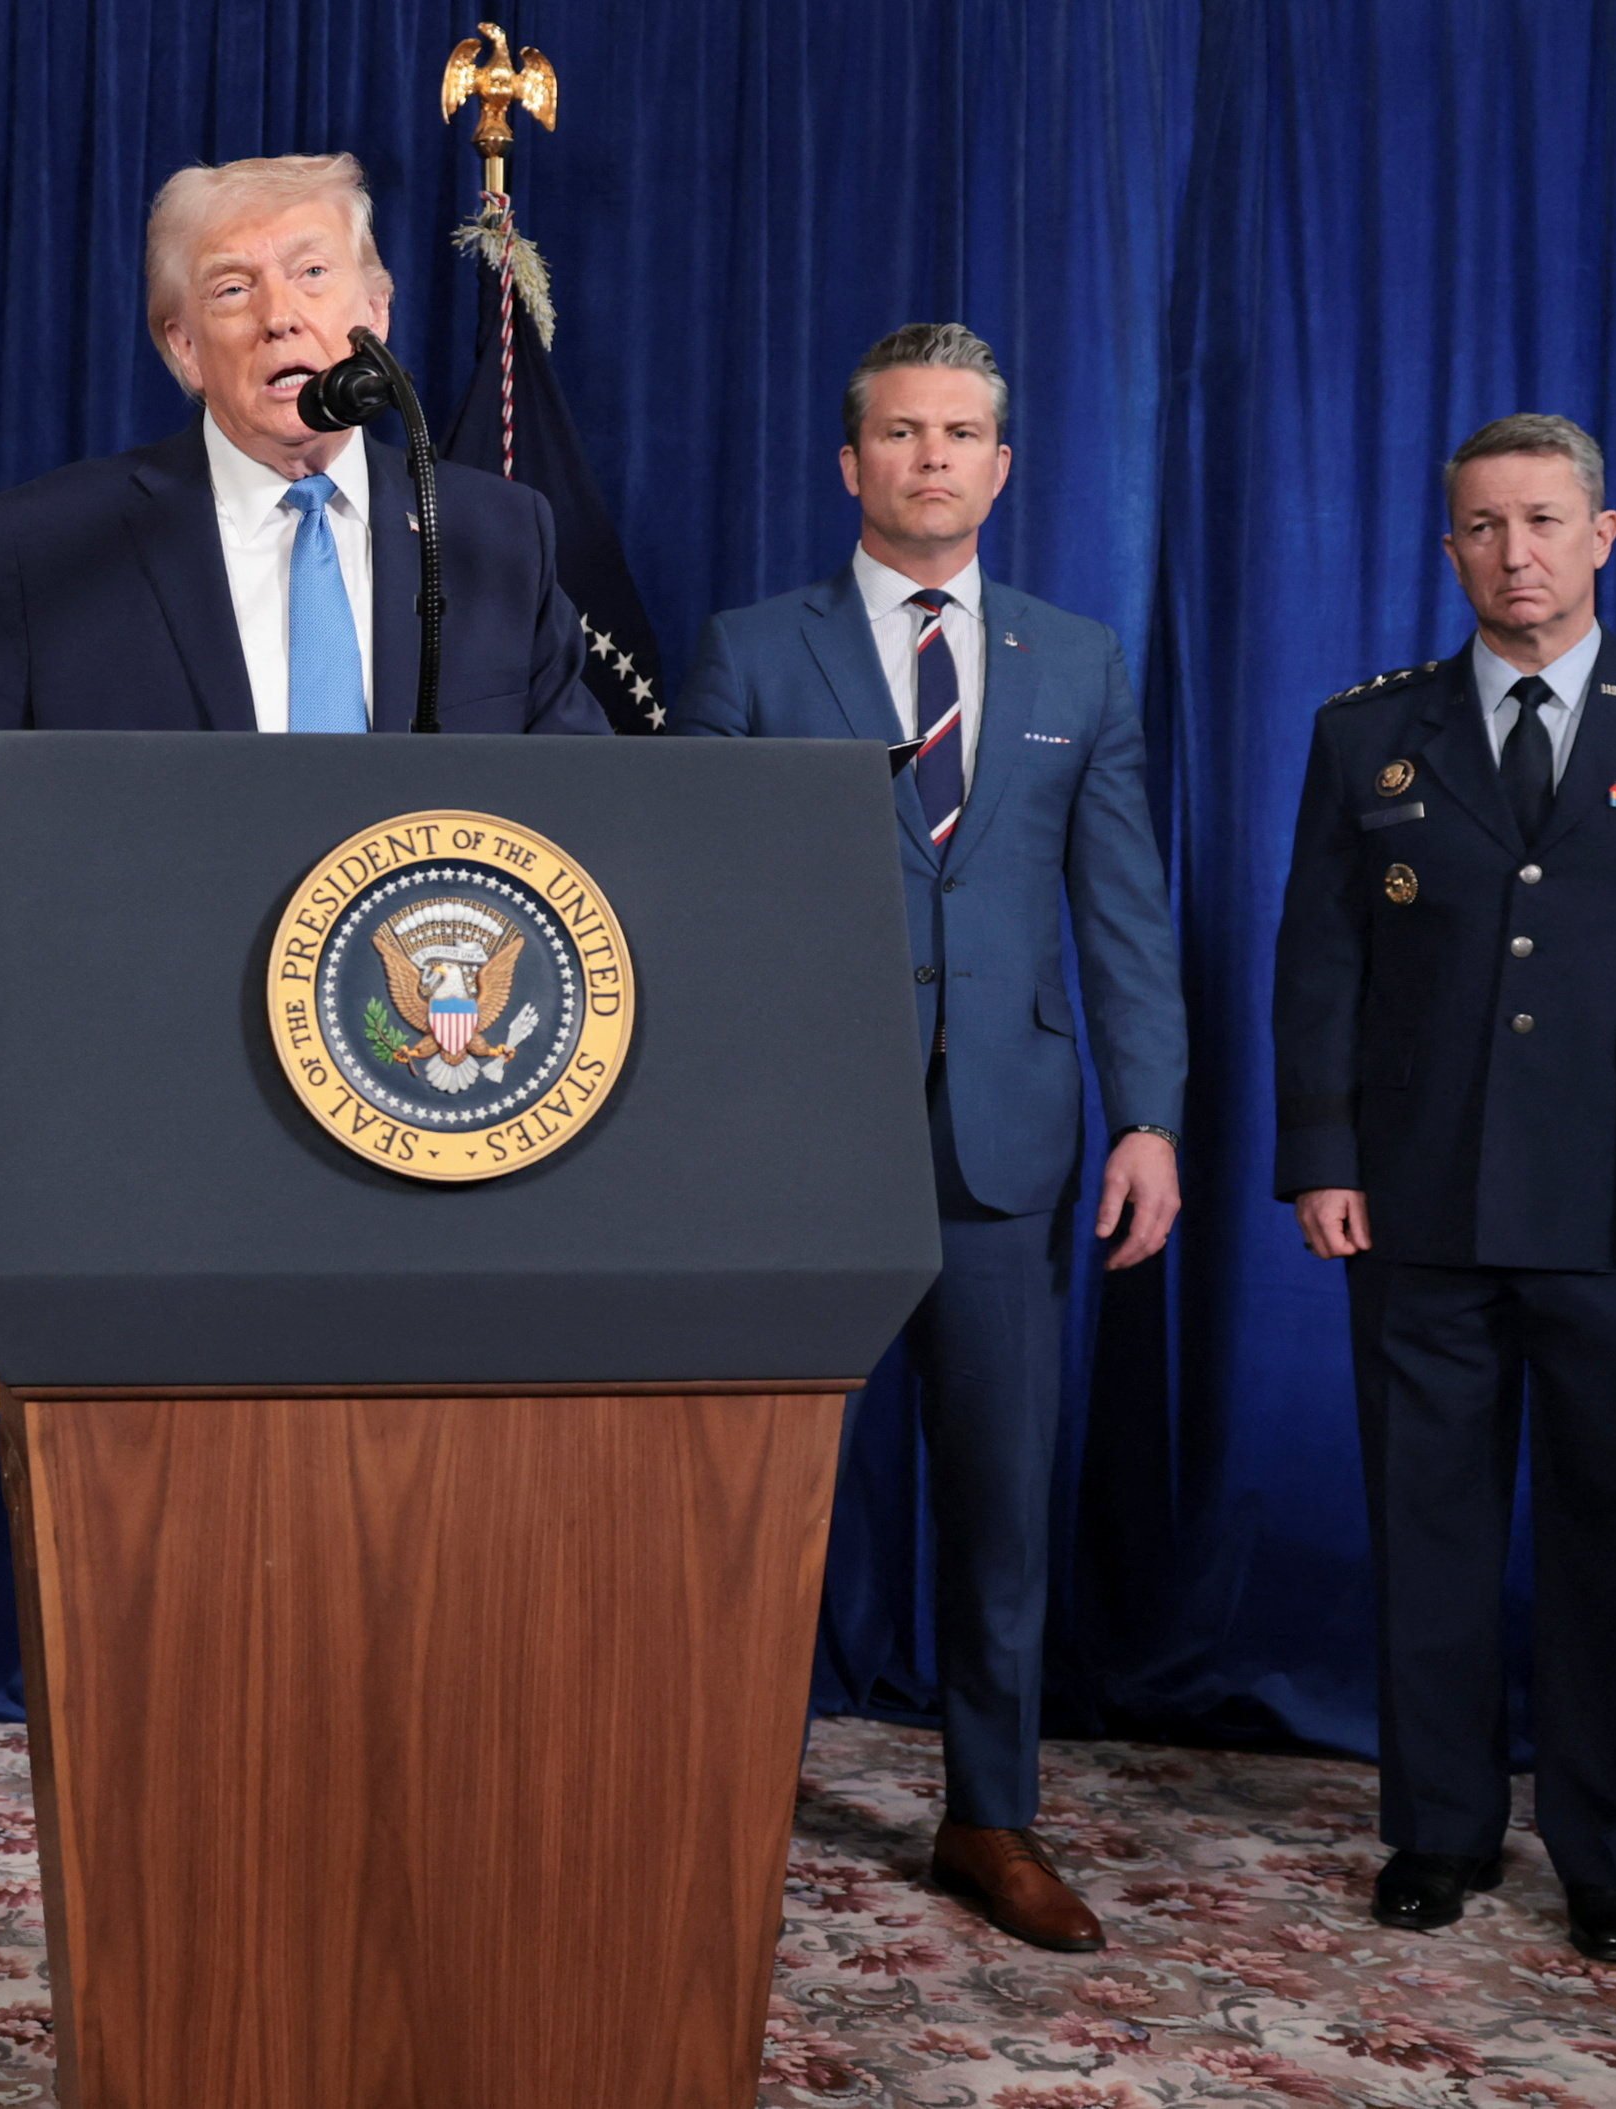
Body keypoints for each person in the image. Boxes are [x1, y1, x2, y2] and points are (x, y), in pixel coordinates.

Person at [1272, 413, 1616, 1965]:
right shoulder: (1366, 733)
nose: (1515, 552)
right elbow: (1317, 966)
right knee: (1427, 1531)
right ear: (1447, 547)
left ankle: (1612, 1852)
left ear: (1604, 534)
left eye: (1542, 520)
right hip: (1420, 1200)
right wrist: (1318, 1154)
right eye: (1482, 525)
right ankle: (1436, 1831)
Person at [676, 323, 1185, 1953]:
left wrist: (1152, 1114)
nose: (934, 457)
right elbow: (698, 910)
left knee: (1000, 1499)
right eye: (903, 432)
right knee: (757, 1496)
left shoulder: (1077, 661)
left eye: (964, 432)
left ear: (1003, 463)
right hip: (799, 1144)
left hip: (1008, 1147)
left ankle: (990, 1811)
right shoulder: (752, 654)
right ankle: (720, 1792)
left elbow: (1122, 914)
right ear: (853, 462)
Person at [0, 152, 609, 983]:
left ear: (375, 308)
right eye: (233, 289)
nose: (279, 317)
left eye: (312, 273)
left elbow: (584, 794)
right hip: (158, 1000)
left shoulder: (494, 533)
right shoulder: (46, 542)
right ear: (184, 347)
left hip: (427, 1024)